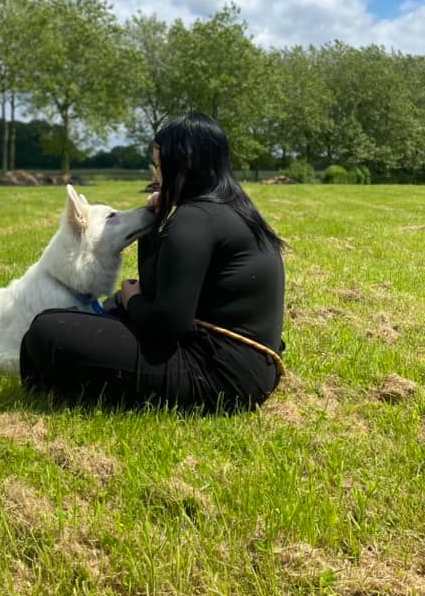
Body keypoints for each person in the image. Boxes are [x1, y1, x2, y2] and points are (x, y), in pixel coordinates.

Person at [20, 112, 286, 413]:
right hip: (252, 368)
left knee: (46, 328)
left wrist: (133, 301)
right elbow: (156, 289)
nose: (156, 175)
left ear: (182, 164)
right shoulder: (228, 207)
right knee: (112, 305)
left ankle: (57, 379)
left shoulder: (193, 220)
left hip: (219, 377)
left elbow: (168, 323)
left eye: (159, 166)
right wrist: (153, 222)